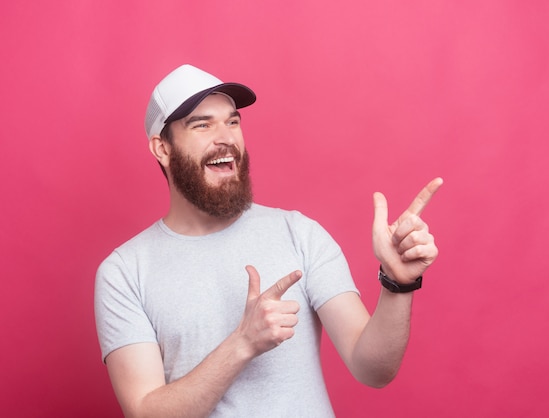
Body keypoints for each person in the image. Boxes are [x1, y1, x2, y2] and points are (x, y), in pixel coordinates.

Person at [95, 64, 443, 418]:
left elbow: (373, 370)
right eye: (202, 125)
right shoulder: (125, 272)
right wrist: (242, 343)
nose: (226, 137)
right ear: (162, 149)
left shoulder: (299, 234)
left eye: (232, 121)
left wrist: (397, 284)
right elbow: (145, 412)